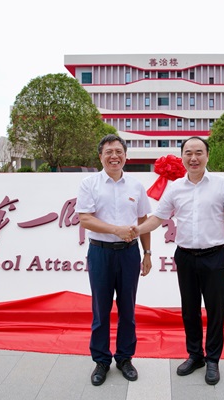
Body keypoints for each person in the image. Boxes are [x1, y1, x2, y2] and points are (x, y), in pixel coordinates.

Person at [134, 136, 224, 385]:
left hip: (215, 255)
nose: (194, 158)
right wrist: (134, 230)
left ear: (207, 155)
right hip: (185, 256)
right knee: (189, 309)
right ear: (182, 157)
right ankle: (195, 355)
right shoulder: (175, 188)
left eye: (199, 152)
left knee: (215, 310)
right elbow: (157, 218)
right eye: (188, 153)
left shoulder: (221, 184)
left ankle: (213, 359)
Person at [75, 134, 152, 386]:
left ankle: (125, 358)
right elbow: (85, 219)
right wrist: (115, 230)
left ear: (125, 156)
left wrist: (147, 253)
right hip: (100, 253)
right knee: (101, 309)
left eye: (119, 151)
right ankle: (101, 360)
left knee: (128, 309)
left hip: (130, 253)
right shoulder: (89, 184)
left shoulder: (136, 186)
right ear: (100, 156)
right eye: (108, 152)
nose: (114, 156)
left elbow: (143, 221)